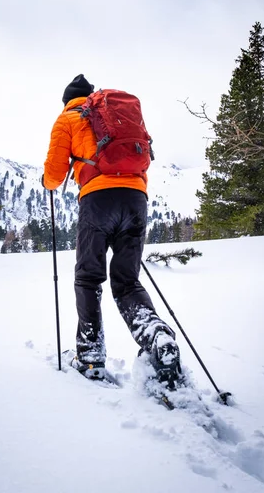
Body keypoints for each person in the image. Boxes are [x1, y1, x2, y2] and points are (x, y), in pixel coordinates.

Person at [43, 74, 181, 387]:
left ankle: (91, 357)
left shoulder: (67, 118)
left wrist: (47, 183)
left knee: (89, 277)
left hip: (97, 200)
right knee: (127, 281)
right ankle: (156, 335)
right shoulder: (113, 114)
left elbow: (54, 174)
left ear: (68, 99)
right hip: (136, 199)